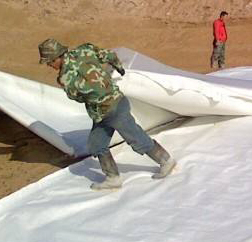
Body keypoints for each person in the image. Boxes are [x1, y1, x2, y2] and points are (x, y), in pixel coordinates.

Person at [38, 38, 176, 190]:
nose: (50, 66)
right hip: (108, 109)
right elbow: (109, 55)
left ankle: (165, 161)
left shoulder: (65, 78)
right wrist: (119, 67)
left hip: (112, 110)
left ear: (57, 57)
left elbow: (77, 97)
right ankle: (113, 178)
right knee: (96, 145)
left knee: (136, 137)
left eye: (49, 62)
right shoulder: (84, 51)